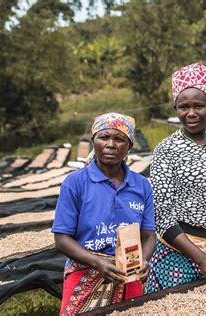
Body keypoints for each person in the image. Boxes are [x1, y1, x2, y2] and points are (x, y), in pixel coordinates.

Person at [146, 63, 206, 293]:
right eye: (184, 107)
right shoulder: (167, 149)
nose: (191, 113)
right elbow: (163, 217)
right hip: (178, 257)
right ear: (175, 108)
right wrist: (202, 260)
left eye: (198, 106)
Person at [52, 113, 156, 315]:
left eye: (119, 139)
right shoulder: (75, 183)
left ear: (129, 146)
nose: (110, 145)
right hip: (85, 271)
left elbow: (149, 235)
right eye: (104, 137)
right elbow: (62, 239)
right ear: (93, 141)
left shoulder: (141, 185)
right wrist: (98, 262)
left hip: (129, 273)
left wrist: (144, 260)